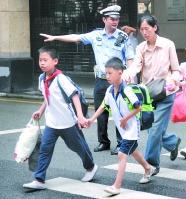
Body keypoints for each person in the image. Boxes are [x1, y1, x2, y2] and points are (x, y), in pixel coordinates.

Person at [39, 5, 135, 155]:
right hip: (101, 80)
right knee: (100, 111)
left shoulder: (123, 37)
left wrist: (130, 76)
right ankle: (103, 141)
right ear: (104, 19)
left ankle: (121, 142)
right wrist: (55, 37)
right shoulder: (95, 35)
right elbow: (75, 37)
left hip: (118, 81)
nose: (115, 21)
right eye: (111, 19)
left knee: (119, 111)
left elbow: (129, 58)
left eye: (117, 19)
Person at [23, 46, 98, 190]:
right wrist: (41, 110)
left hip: (68, 122)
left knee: (78, 147)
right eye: (40, 60)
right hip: (51, 123)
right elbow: (47, 97)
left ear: (55, 61)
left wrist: (80, 116)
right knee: (45, 149)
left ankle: (91, 167)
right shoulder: (42, 78)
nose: (42, 63)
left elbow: (74, 95)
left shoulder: (60, 78)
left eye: (45, 60)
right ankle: (39, 179)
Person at [123, 15, 181, 176]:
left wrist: (174, 80)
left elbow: (176, 69)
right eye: (142, 30)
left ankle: (152, 164)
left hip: (166, 92)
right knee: (151, 127)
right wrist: (127, 75)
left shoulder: (168, 44)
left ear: (155, 27)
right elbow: (135, 66)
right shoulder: (141, 47)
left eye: (147, 29)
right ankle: (172, 142)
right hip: (147, 94)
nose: (144, 32)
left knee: (155, 129)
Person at [87, 57, 154, 195]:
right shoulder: (110, 90)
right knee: (134, 151)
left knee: (122, 154)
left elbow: (138, 108)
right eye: (106, 73)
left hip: (131, 129)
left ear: (120, 72)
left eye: (110, 73)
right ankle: (148, 168)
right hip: (123, 128)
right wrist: (91, 119)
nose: (107, 76)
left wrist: (125, 119)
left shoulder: (127, 90)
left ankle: (116, 186)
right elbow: (103, 106)